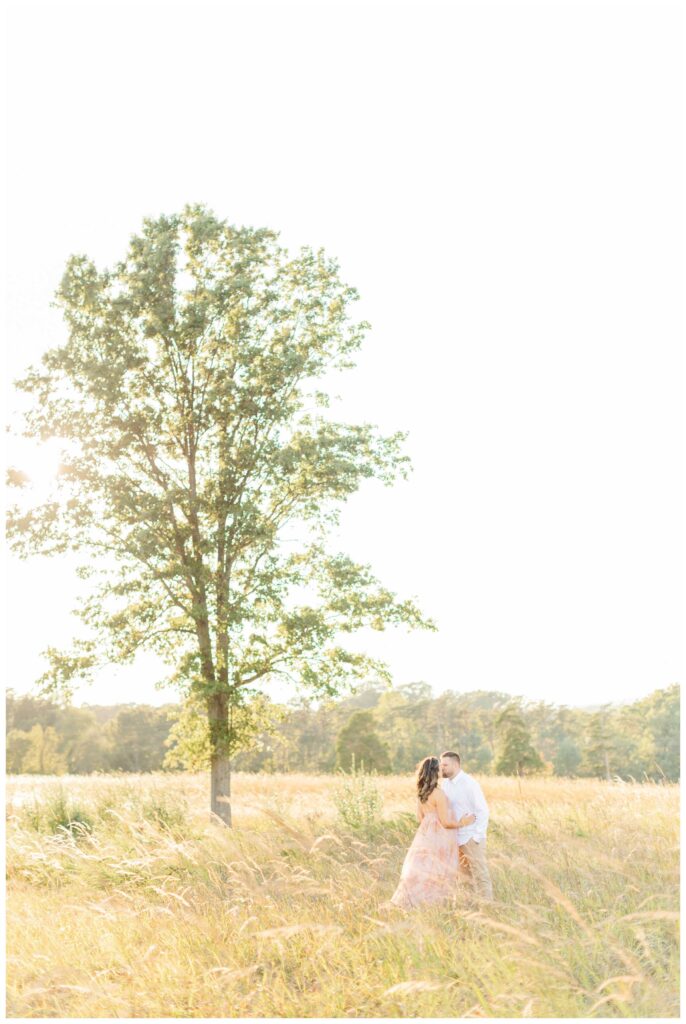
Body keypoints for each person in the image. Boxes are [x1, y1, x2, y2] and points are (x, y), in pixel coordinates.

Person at [389, 755, 476, 909]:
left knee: (424, 869)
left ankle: (415, 902)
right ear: (435, 772)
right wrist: (463, 822)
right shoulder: (439, 794)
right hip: (440, 838)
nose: (442, 770)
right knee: (440, 871)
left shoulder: (422, 793)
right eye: (440, 768)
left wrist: (431, 823)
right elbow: (446, 823)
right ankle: (433, 904)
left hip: (425, 836)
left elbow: (420, 818)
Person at [440, 750, 493, 901]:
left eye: (445, 765)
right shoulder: (445, 784)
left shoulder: (469, 783)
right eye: (441, 764)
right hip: (455, 838)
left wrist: (477, 837)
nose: (441, 768)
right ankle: (470, 909)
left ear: (456, 764)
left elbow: (483, 810)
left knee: (480, 874)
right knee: (463, 877)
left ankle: (488, 908)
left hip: (471, 837)